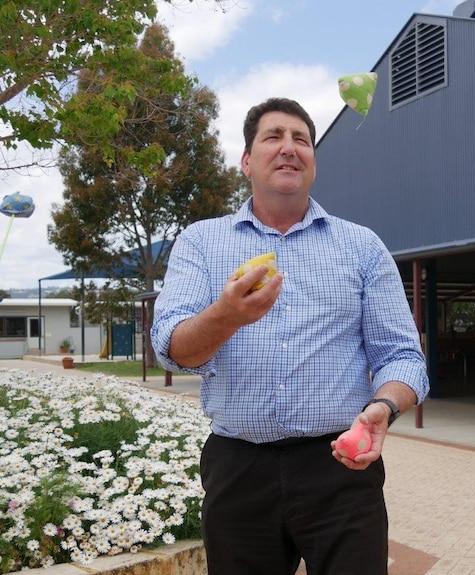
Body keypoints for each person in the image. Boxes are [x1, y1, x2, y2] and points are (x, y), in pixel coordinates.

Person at [151, 97, 429, 575]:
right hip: (239, 469)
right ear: (245, 161)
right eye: (273, 137)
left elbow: (403, 356)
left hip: (341, 468)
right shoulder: (200, 241)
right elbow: (173, 350)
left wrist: (382, 408)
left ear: (313, 164)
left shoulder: (361, 246)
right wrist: (226, 315)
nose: (289, 148)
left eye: (301, 139)